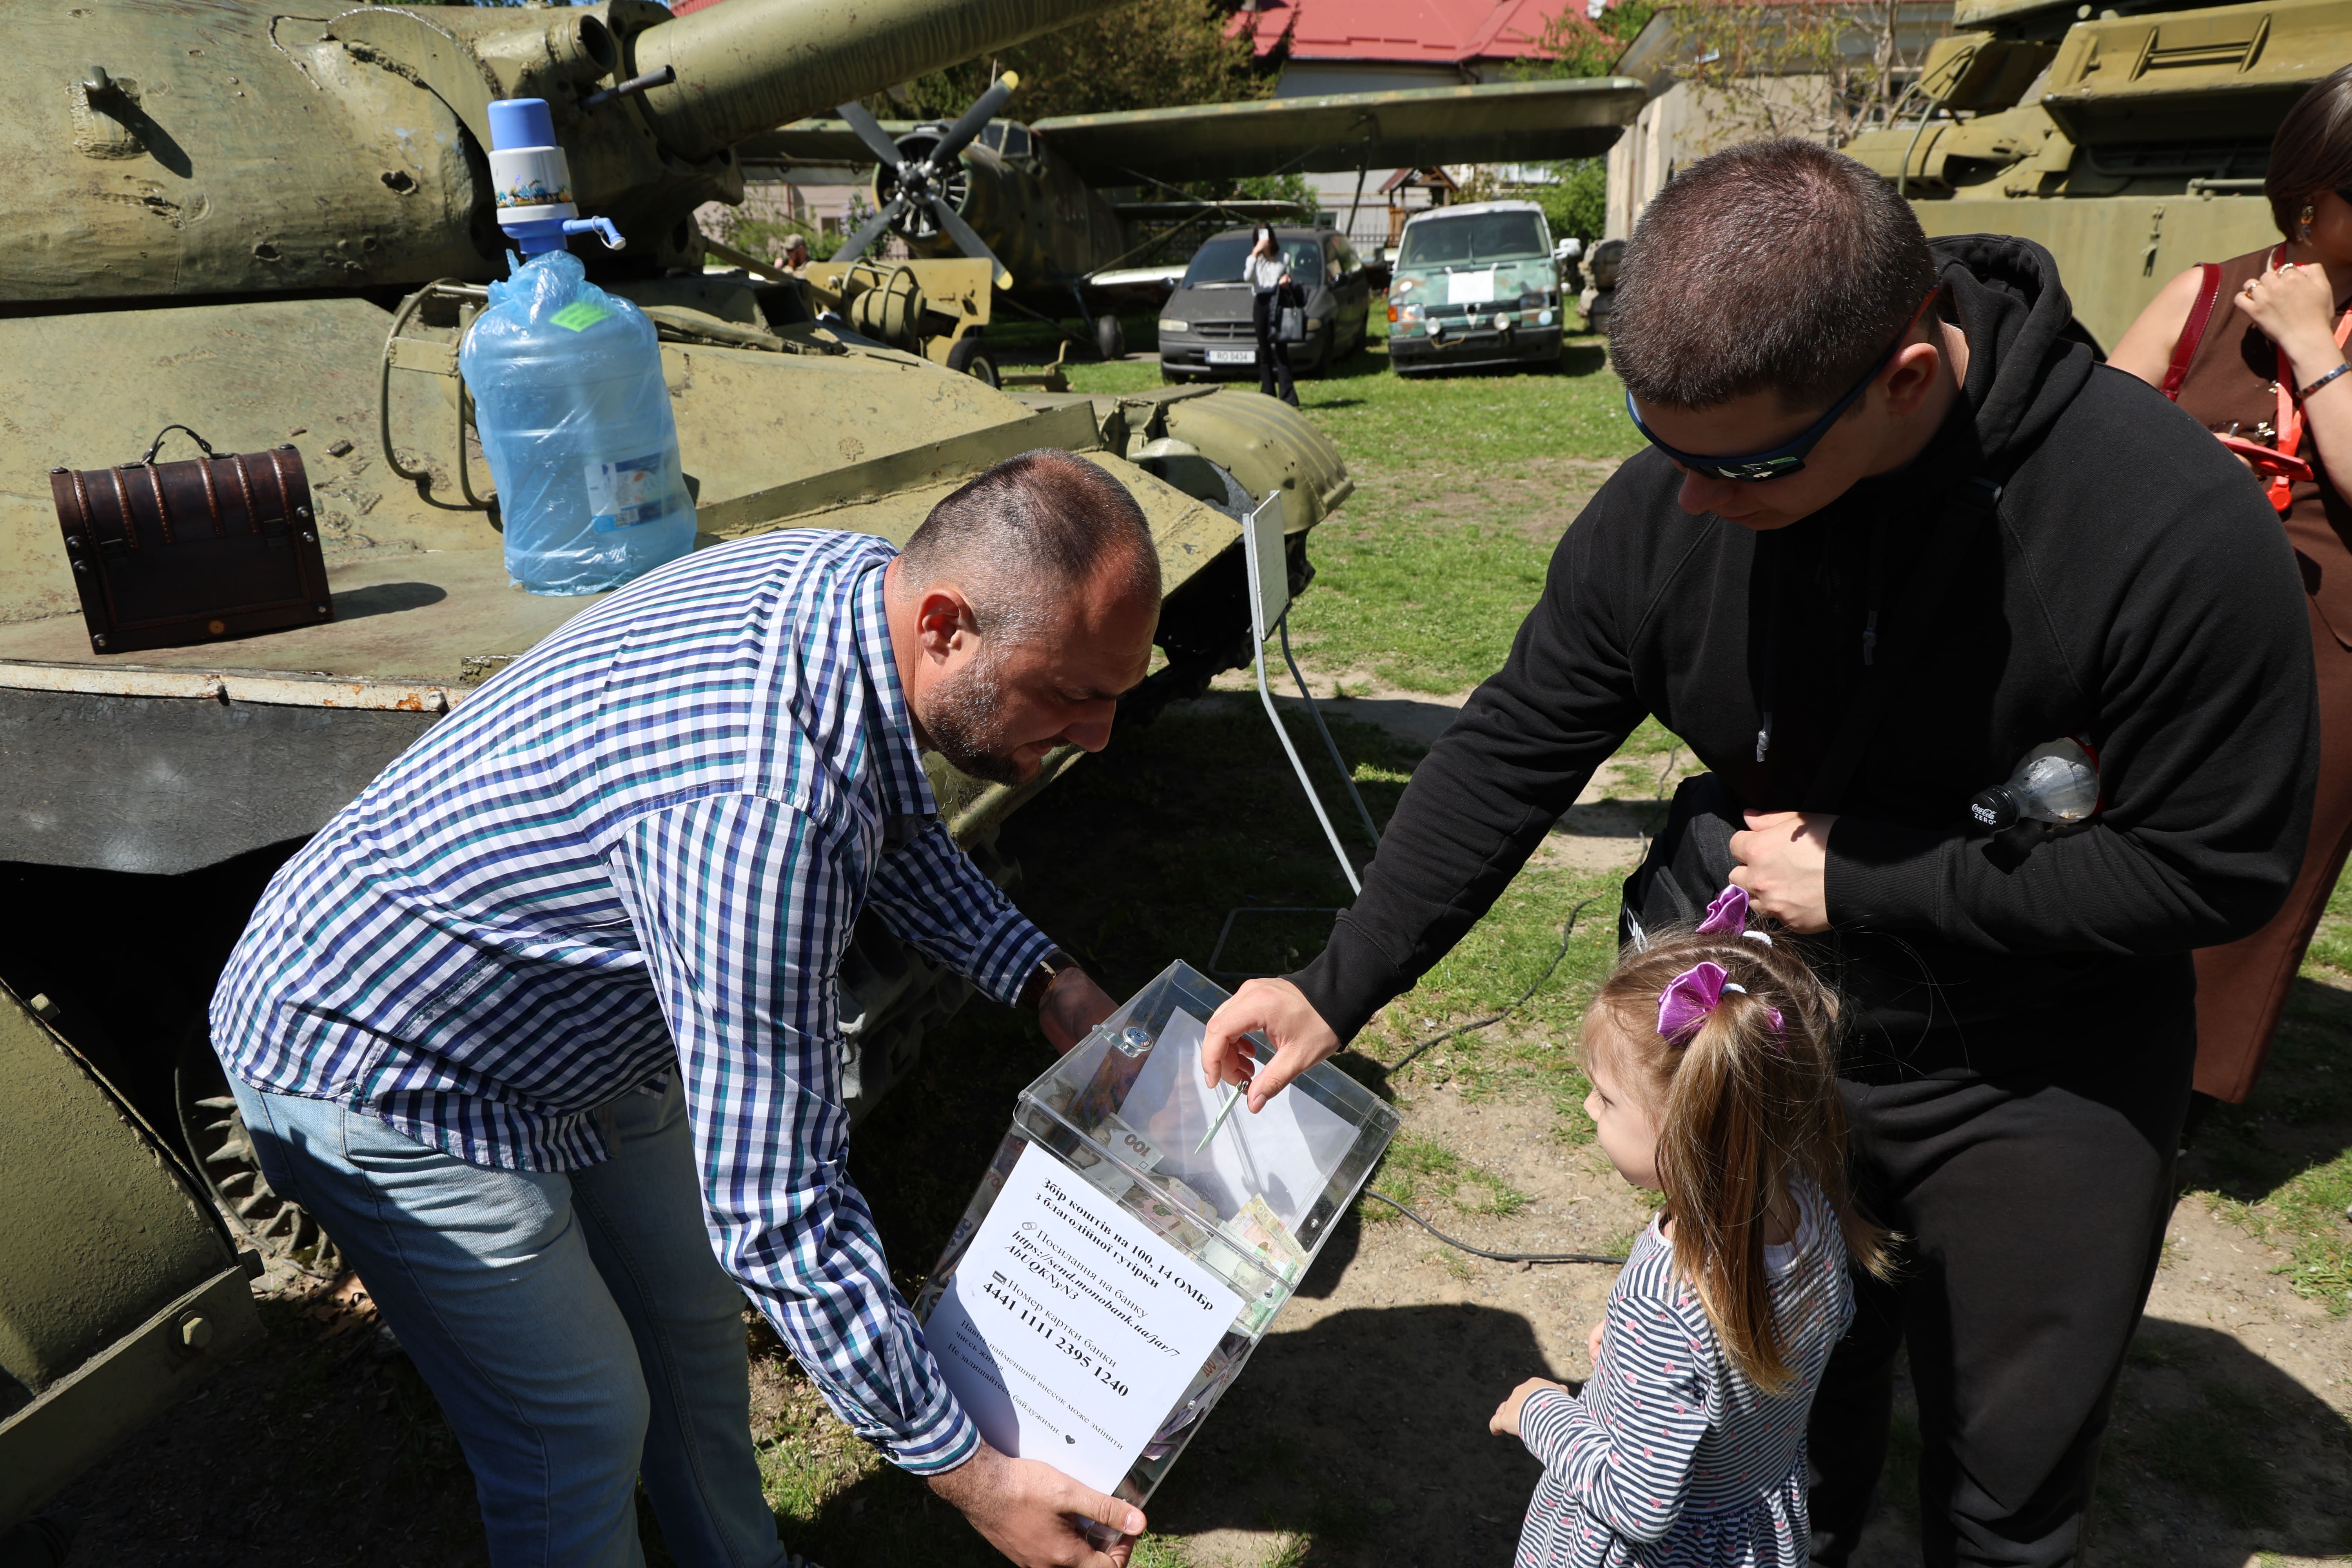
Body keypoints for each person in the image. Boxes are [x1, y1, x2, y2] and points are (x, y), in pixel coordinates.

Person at [1201, 138, 2317, 1566]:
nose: (1691, 504)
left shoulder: (2161, 524)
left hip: (2036, 1073)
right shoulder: (1685, 492)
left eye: (1746, 465)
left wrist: (1873, 878)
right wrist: (1333, 982)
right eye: (1656, 443)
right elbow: (1518, 738)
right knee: (1783, 1436)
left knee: (2006, 1484)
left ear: (1906, 379)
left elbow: (2213, 868)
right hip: (1779, 1068)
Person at [209, 450, 1162, 1568]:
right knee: (576, 1428)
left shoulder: (859, 586)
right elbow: (779, 1211)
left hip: (571, 1028)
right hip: (388, 1058)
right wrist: (977, 1478)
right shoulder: (761, 812)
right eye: (1073, 694)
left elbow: (895, 819)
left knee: (690, 1328)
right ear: (946, 624)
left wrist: (1049, 982)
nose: (1099, 735)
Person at [1491, 888, 1891, 1568]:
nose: (1589, 1107)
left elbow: (1637, 1503)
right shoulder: (1809, 1208)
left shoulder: (1665, 1289)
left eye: (1607, 1097)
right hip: (1753, 1536)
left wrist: (1540, 1410)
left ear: (1691, 1130)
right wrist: (1632, 1363)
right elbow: (1777, 1353)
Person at [2108, 63, 2352, 1123]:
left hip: (2325, 644)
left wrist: (2310, 347)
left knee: (2269, 871)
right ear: (2310, 192)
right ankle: (2077, 1036)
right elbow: (2096, 446)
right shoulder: (2204, 293)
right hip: (2176, 624)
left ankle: (2189, 1096)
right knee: (2119, 828)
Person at [1243, 225, 1299, 407]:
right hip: (1261, 303)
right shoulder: (1254, 260)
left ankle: (1288, 397)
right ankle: (1267, 394)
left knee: (1281, 350)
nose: (1264, 240)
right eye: (1260, 236)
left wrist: (1286, 282)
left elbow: (1291, 279)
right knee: (1265, 351)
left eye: (1266, 235)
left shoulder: (1284, 258)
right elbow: (1247, 278)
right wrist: (1255, 253)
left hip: (1279, 301)